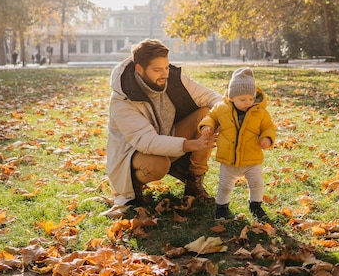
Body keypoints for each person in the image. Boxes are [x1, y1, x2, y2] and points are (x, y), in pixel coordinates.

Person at [106, 38, 222, 212]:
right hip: (133, 154)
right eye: (157, 69)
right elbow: (146, 141)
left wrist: (232, 114)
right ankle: (133, 186)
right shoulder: (122, 99)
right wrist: (190, 144)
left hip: (168, 138)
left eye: (166, 67)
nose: (165, 74)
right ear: (139, 69)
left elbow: (211, 97)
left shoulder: (173, 79)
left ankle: (194, 181)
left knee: (207, 114)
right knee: (158, 165)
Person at [198, 67, 276, 221]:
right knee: (225, 186)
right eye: (242, 99)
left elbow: (268, 127)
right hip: (228, 159)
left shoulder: (259, 112)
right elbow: (211, 117)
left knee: (256, 184)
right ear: (232, 97)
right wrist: (207, 126)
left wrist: (267, 138)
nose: (248, 102)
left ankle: (256, 205)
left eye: (251, 99)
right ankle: (222, 207)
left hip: (251, 157)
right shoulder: (221, 108)